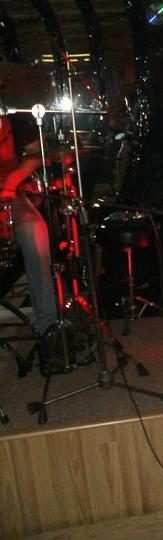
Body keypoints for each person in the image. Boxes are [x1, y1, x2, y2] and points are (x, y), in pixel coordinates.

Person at [0, 114, 58, 363]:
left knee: (36, 231)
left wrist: (11, 181)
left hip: (9, 195)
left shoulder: (14, 119)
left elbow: (36, 153)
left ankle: (48, 326)